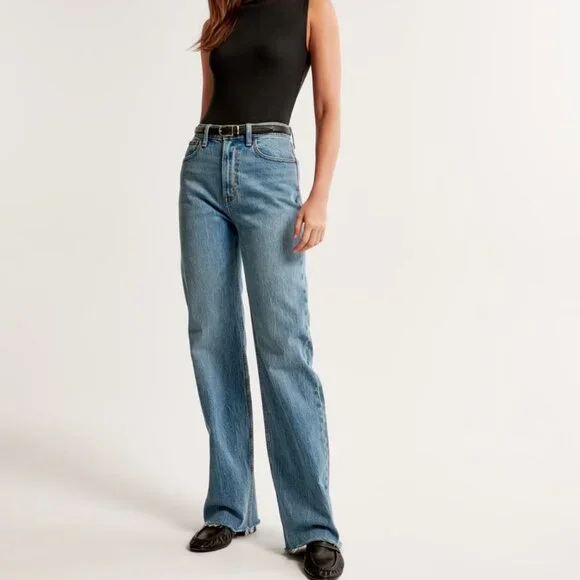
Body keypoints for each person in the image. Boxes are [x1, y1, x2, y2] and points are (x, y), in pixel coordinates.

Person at [178, 0, 343, 577]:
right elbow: (208, 106)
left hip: (269, 168)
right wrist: (204, 159)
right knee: (211, 338)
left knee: (283, 346)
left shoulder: (312, 7)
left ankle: (313, 526)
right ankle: (230, 506)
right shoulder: (218, 15)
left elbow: (328, 106)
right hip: (203, 169)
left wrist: (318, 196)